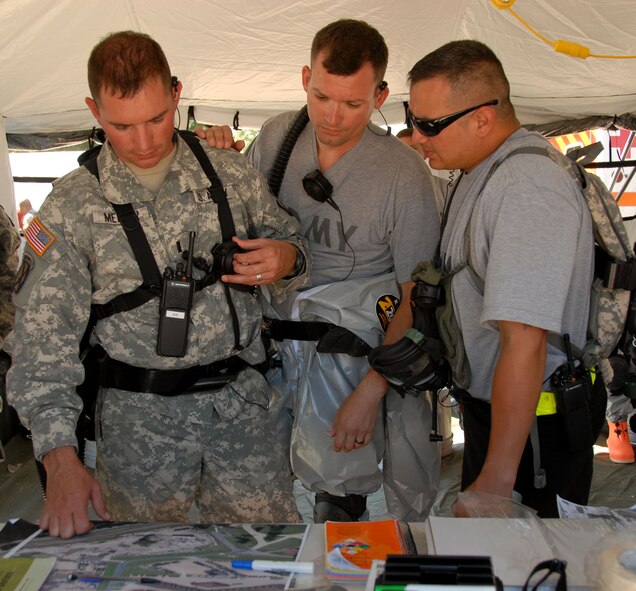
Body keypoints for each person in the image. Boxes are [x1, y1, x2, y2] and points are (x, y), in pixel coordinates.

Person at [6, 30, 310, 539]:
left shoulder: (231, 176)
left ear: (176, 94)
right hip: (139, 430)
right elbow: (40, 346)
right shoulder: (69, 206)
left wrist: (288, 258)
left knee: (267, 554)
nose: (144, 142)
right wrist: (59, 459)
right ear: (93, 110)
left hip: (243, 414)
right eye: (121, 126)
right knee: (143, 562)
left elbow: (293, 246)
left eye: (156, 118)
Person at [203, 19, 441, 522]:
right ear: (306, 77)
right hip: (269, 351)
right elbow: (232, 223)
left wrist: (371, 388)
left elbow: (414, 298)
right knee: (251, 492)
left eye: (353, 104)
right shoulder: (275, 139)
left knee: (336, 501)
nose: (332, 117)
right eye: (321, 97)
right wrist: (219, 162)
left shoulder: (403, 174)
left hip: (349, 359)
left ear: (380, 95)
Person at [407, 40, 606, 518]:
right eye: (410, 118)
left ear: (482, 118)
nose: (416, 137)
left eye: (430, 125)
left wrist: (497, 477)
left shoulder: (526, 187)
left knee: (528, 568)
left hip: (533, 434)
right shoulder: (480, 168)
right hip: (502, 419)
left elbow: (525, 340)